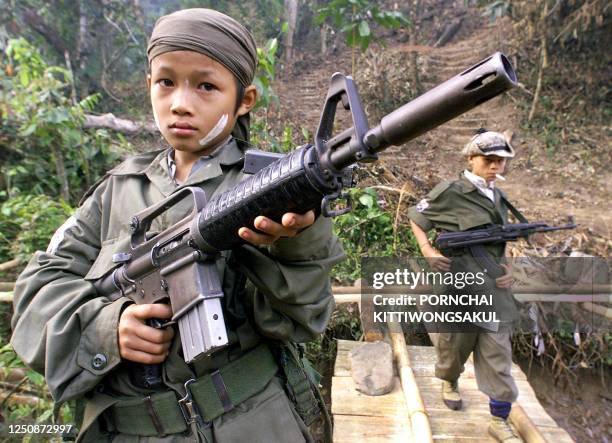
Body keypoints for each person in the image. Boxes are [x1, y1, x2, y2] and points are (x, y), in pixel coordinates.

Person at [11, 8, 344, 442]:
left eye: (206, 85)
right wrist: (108, 329)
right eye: (166, 82)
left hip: (251, 425)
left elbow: (300, 321)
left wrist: (297, 242)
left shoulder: (266, 187)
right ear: (149, 84)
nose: (181, 103)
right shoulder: (115, 192)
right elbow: (37, 292)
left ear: (244, 100)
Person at [408, 129, 523, 443]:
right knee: (454, 346)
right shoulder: (450, 191)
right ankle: (450, 380)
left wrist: (507, 267)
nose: (496, 166)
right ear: (471, 158)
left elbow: (501, 241)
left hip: (493, 290)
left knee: (498, 352)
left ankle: (499, 419)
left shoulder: (498, 196)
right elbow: (417, 218)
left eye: (501, 160)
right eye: (489, 160)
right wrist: (427, 251)